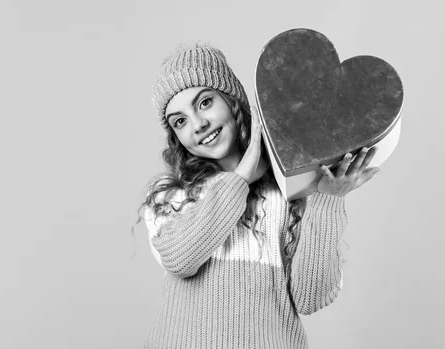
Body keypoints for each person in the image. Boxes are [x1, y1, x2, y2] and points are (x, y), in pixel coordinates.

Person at [137, 44, 379, 349]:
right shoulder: (171, 196)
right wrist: (242, 176)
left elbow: (310, 297)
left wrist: (327, 198)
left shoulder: (290, 192)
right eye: (180, 121)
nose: (198, 124)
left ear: (233, 102)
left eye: (205, 102)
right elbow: (179, 259)